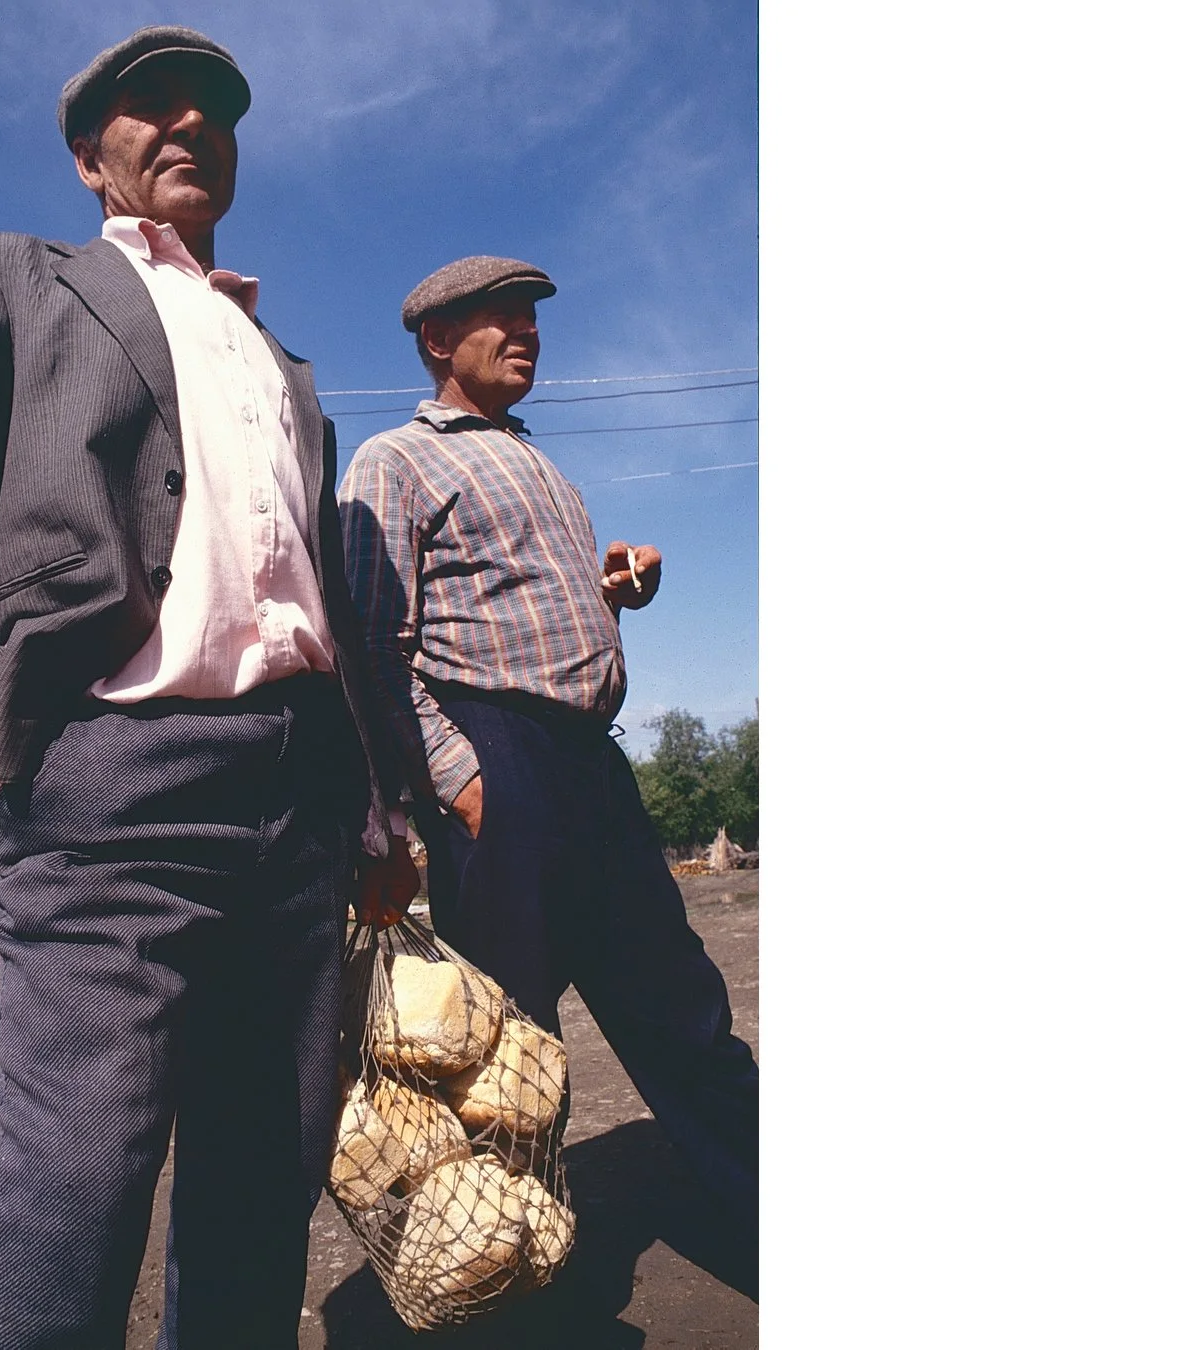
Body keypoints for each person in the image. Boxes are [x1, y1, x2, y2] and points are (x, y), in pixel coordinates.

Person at [0, 26, 417, 1350]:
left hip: (296, 795)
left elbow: (322, 604)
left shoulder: (275, 359)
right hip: (111, 777)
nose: (186, 124)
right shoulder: (9, 277)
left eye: (213, 111)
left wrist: (373, 804)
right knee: (81, 1185)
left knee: (256, 1188)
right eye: (147, 106)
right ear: (87, 156)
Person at [337, 256, 759, 1235]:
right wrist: (456, 777)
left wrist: (615, 592)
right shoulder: (393, 461)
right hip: (499, 765)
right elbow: (370, 641)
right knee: (510, 1051)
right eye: (500, 318)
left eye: (531, 320)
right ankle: (513, 1277)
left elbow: (513, 610)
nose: (526, 333)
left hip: (589, 763)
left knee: (679, 1006)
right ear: (438, 340)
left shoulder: (545, 470)